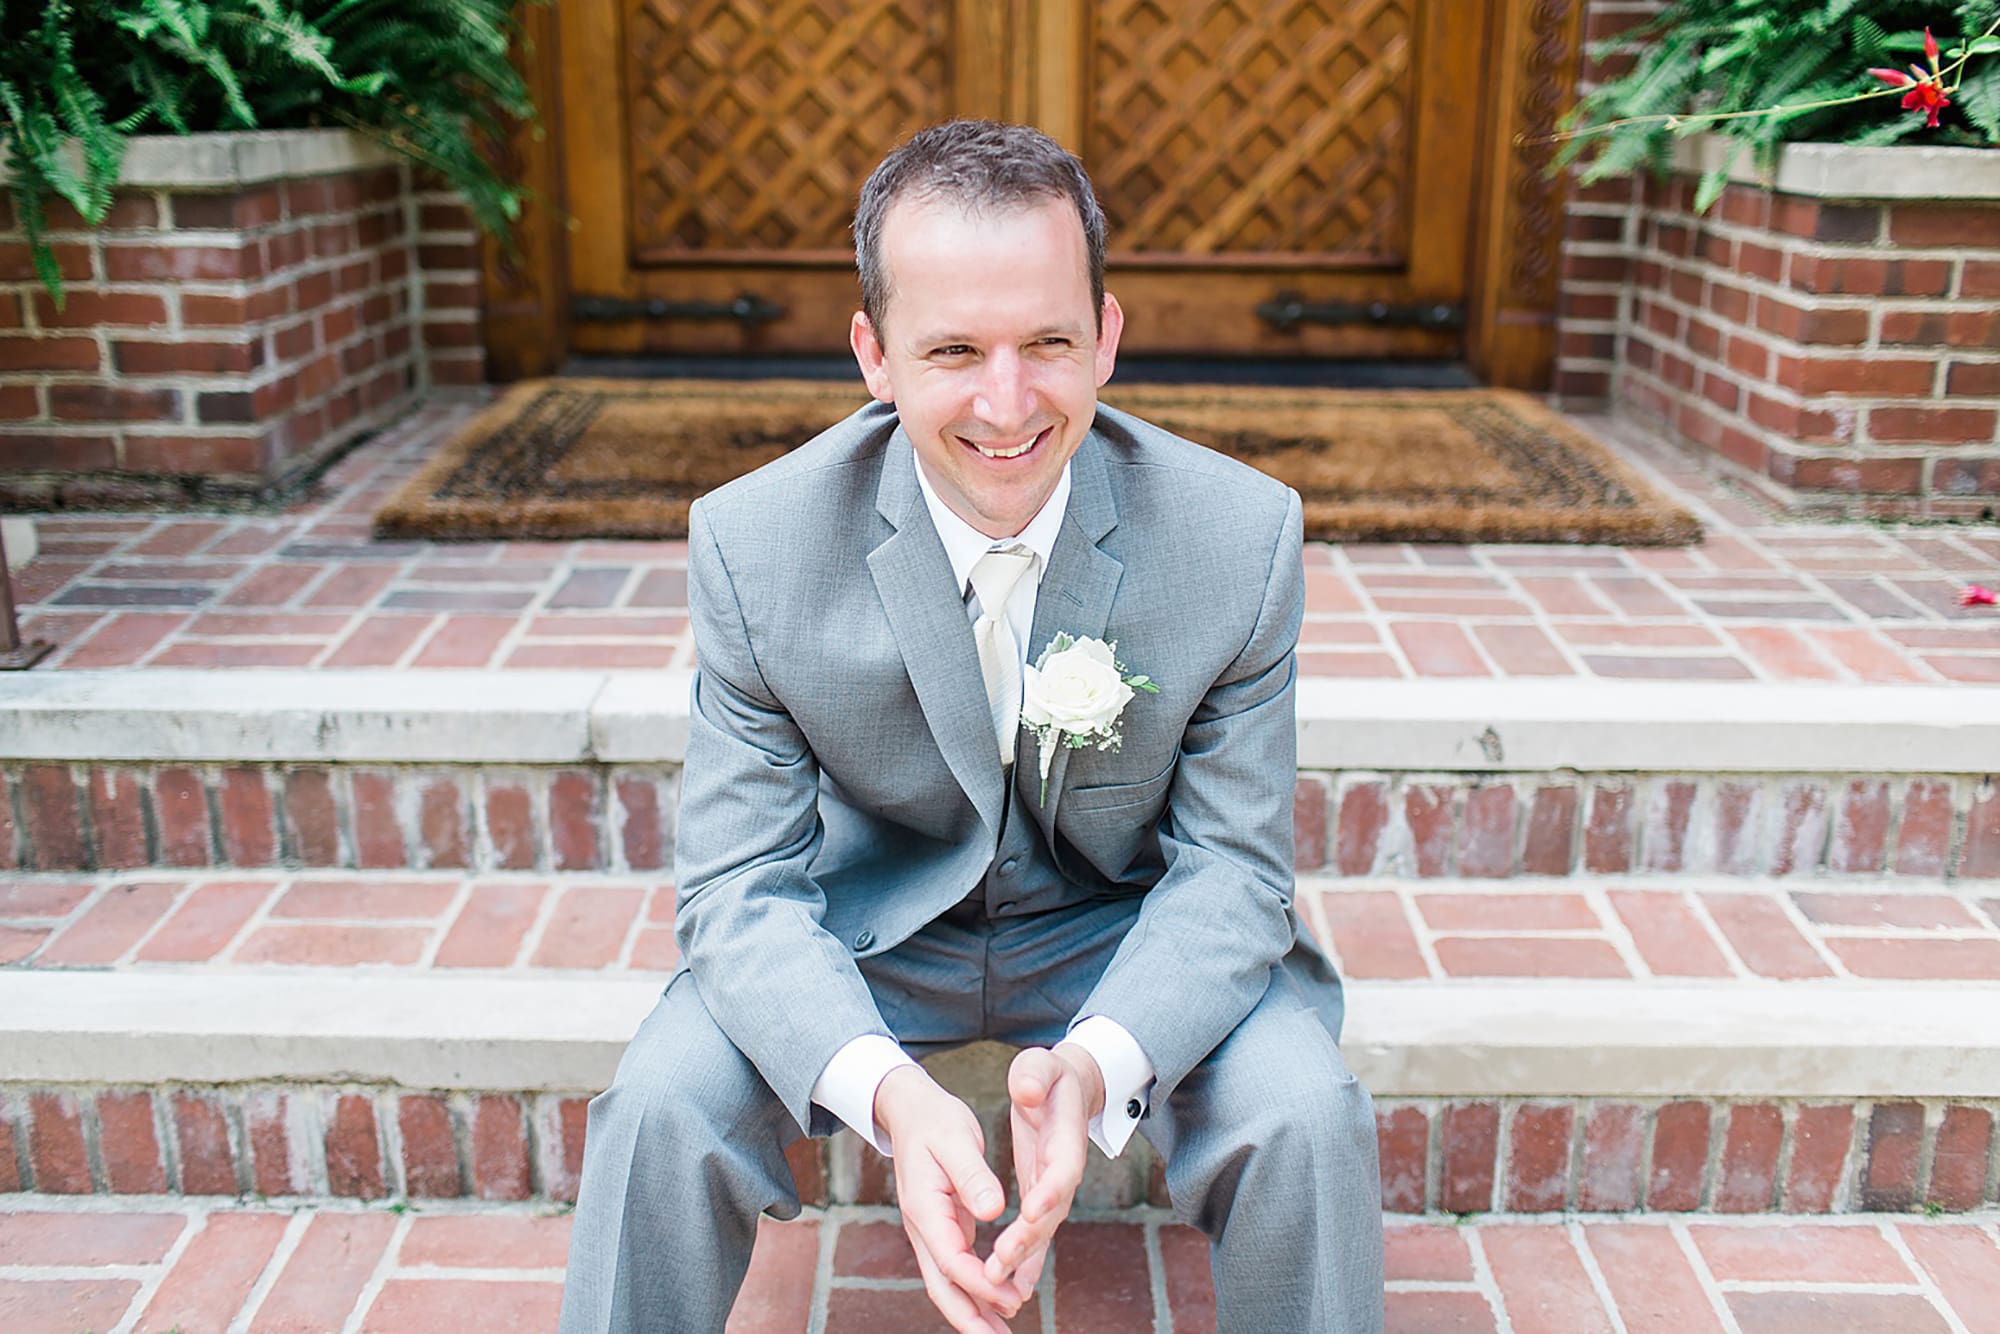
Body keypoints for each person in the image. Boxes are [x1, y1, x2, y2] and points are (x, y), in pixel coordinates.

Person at [558, 119, 1384, 1334]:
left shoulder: (1235, 536)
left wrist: (1098, 1060)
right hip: (872, 929)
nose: (1007, 404)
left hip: (1120, 918)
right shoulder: (756, 545)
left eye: (1046, 341)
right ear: (873, 356)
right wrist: (888, 1094)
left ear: (1105, 337)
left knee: (1305, 1106)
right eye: (952, 349)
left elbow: (1232, 877)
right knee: (661, 1101)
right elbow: (735, 889)